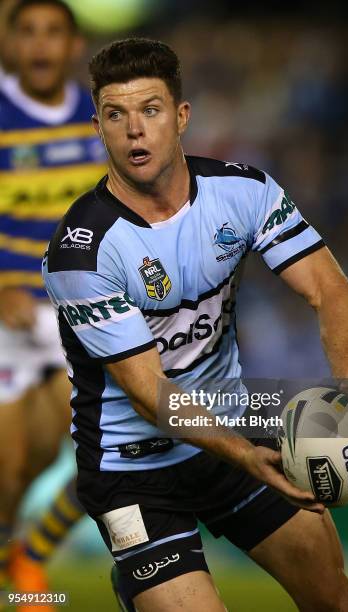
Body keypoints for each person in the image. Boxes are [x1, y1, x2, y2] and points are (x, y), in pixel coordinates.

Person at [43, 37, 348, 612]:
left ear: (181, 117)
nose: (134, 131)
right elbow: (152, 394)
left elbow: (330, 289)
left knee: (336, 602)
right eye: (115, 115)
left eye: (150, 110)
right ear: (98, 127)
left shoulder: (243, 192)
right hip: (132, 467)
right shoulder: (83, 252)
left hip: (232, 423)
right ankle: (141, 582)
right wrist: (245, 454)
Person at [0, 0, 106, 607]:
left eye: (53, 33)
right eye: (29, 32)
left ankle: (31, 557)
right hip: (10, 313)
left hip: (81, 308)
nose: (41, 45)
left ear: (71, 46)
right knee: (14, 464)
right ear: (13, 44)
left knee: (117, 444)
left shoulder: (100, 119)